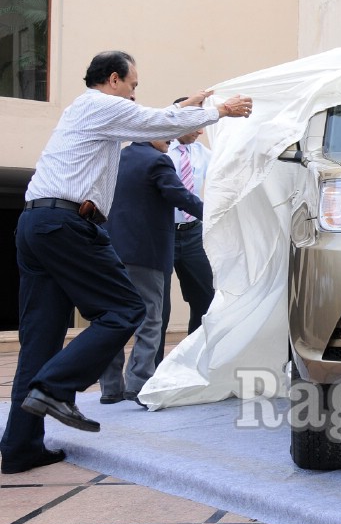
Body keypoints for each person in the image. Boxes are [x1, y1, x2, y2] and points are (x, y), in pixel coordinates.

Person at [0, 50, 252, 474]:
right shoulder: (100, 104)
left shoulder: (92, 111)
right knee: (126, 310)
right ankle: (54, 387)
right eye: (133, 85)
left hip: (37, 224)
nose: (135, 94)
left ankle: (20, 446)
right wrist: (218, 111)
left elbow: (156, 119)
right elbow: (155, 122)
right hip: (66, 225)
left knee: (40, 340)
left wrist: (188, 105)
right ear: (114, 79)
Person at [99, 139, 204, 405]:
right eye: (166, 137)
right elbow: (179, 195)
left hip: (110, 250)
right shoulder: (156, 160)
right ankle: (139, 381)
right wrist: (213, 213)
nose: (169, 142)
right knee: (150, 317)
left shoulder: (116, 157)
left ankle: (110, 388)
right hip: (145, 252)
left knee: (113, 317)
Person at [157, 109, 214, 363]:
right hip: (163, 233)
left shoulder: (203, 154)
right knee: (159, 305)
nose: (201, 131)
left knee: (205, 297)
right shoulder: (160, 151)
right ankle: (153, 368)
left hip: (193, 234)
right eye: (197, 126)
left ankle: (193, 360)